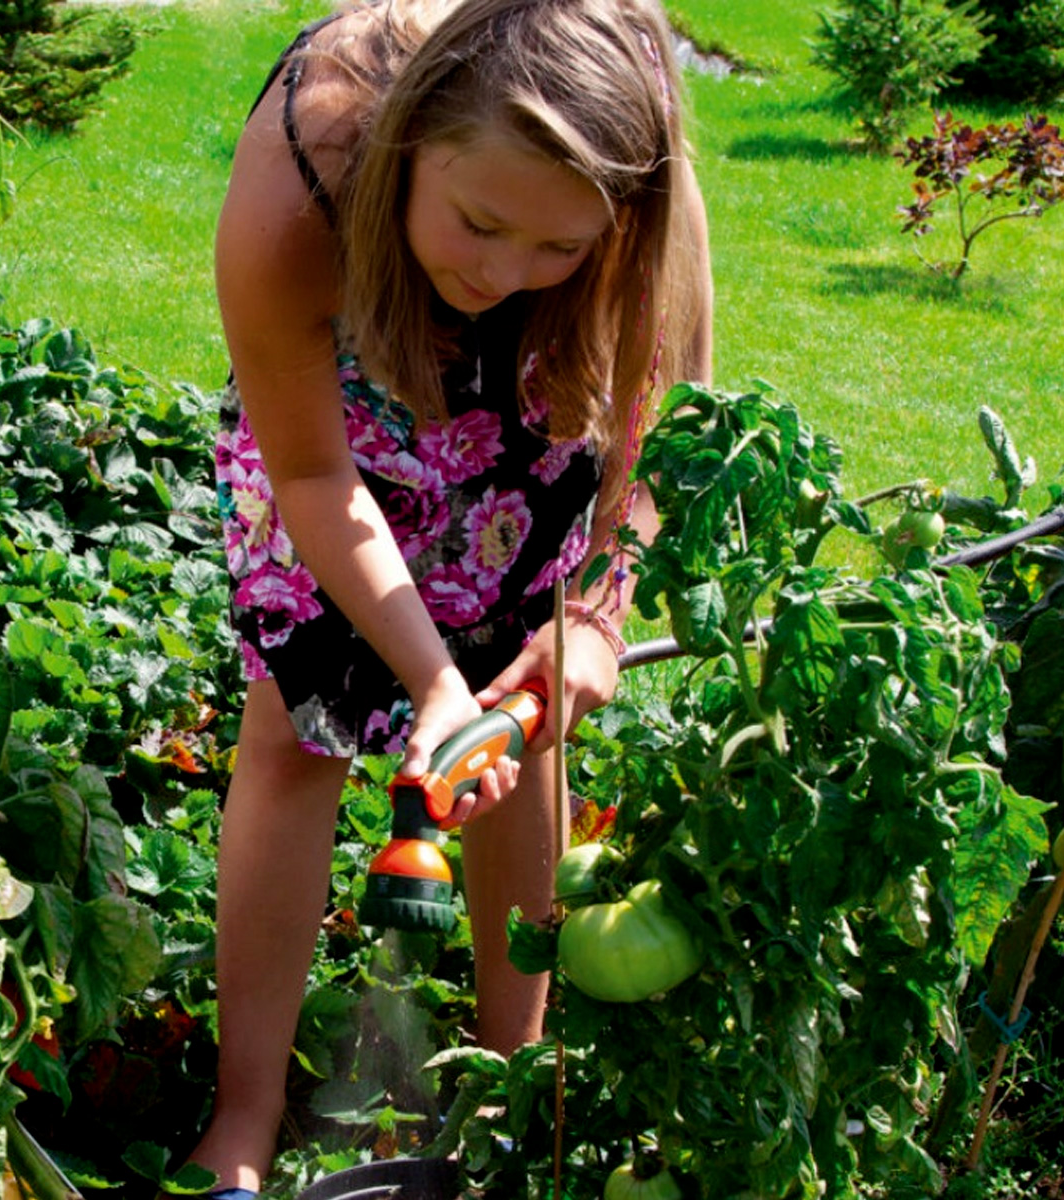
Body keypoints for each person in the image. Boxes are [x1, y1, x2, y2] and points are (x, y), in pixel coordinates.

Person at [190, 0, 712, 1192]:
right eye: (480, 223)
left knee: (517, 727)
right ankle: (246, 1116)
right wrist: (430, 679)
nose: (501, 271)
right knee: (296, 731)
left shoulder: (621, 183)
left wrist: (594, 609)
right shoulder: (306, 182)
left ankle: (502, 1087)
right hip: (347, 412)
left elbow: (662, 415)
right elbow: (315, 475)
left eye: (556, 246)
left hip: (536, 385)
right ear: (414, 140)